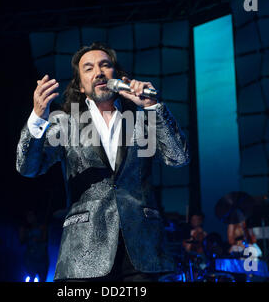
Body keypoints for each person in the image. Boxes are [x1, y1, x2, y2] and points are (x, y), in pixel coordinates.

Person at [16, 42, 190, 281]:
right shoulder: (65, 123)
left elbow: (178, 157)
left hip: (141, 249)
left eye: (105, 65)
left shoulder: (141, 119)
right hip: (84, 250)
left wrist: (153, 106)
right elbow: (28, 167)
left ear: (117, 75)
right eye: (88, 68)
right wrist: (37, 117)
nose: (98, 72)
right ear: (80, 84)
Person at [19, 210, 49, 282]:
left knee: (42, 279)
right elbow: (21, 241)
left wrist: (37, 239)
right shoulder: (24, 228)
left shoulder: (42, 227)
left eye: (31, 216)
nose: (29, 218)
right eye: (28, 216)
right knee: (31, 278)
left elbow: (45, 239)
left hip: (42, 259)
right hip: (30, 259)